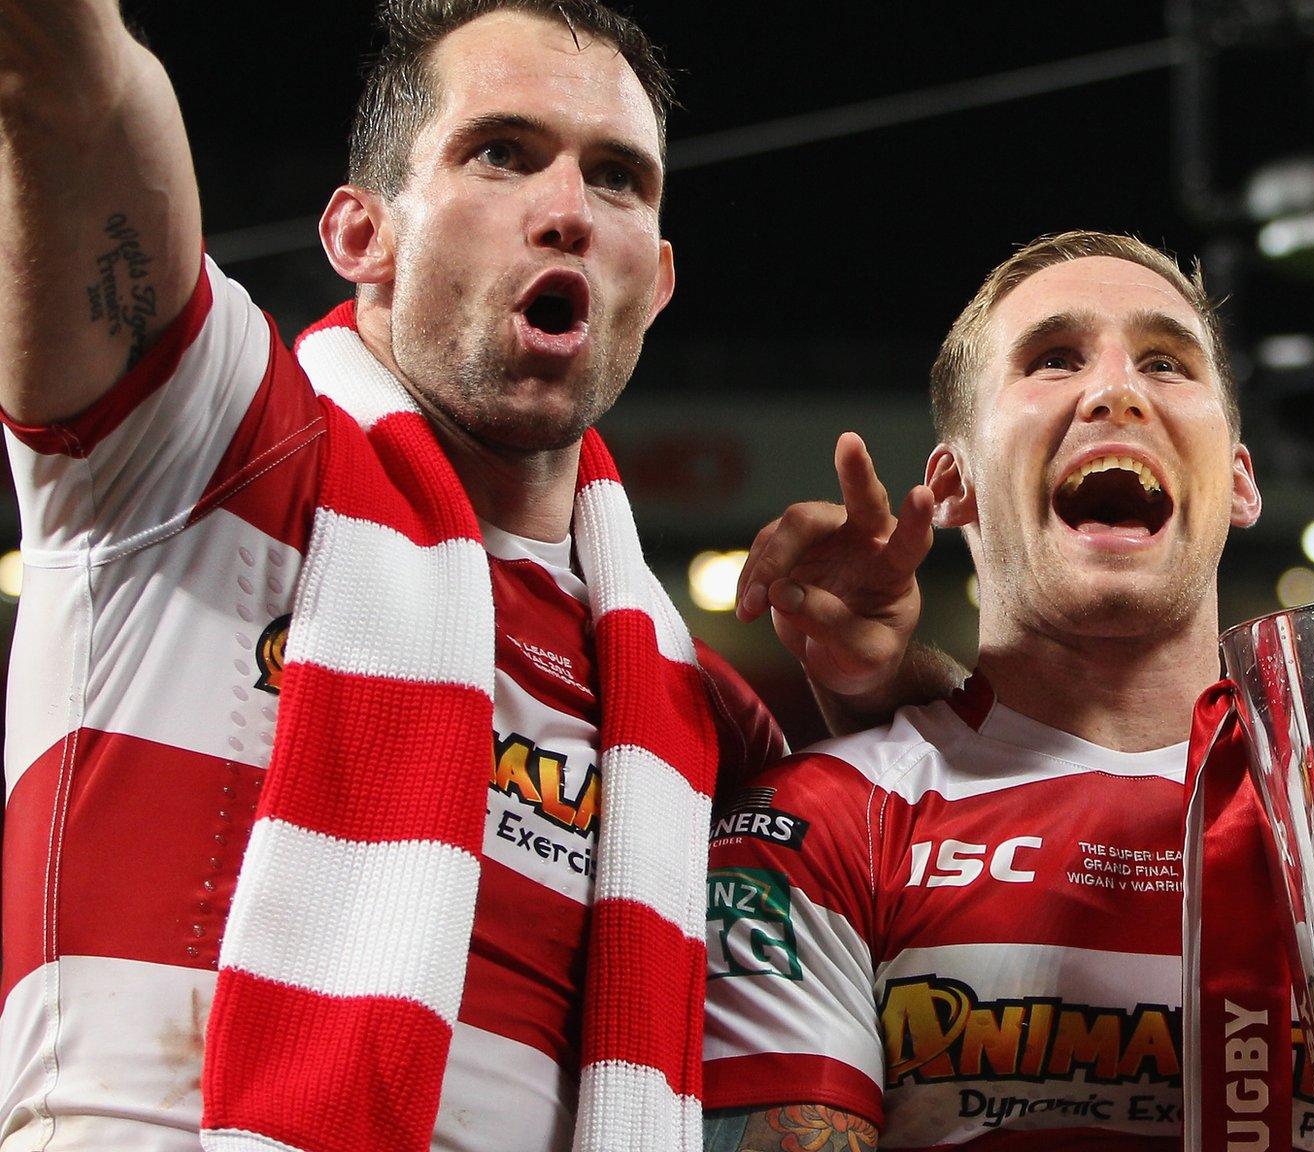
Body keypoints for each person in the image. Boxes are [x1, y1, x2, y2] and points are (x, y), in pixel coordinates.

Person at [0, 3, 931, 1150]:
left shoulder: (694, 711)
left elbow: (958, 902)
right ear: (359, 234)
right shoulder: (205, 449)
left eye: (618, 180)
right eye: (501, 152)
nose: (567, 214)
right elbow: (70, 86)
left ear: (660, 282)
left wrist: (873, 689)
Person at [699, 231, 1314, 1151]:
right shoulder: (817, 827)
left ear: (1238, 478)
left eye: (1164, 361)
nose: (1116, 392)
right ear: (953, 485)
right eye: (1052, 359)